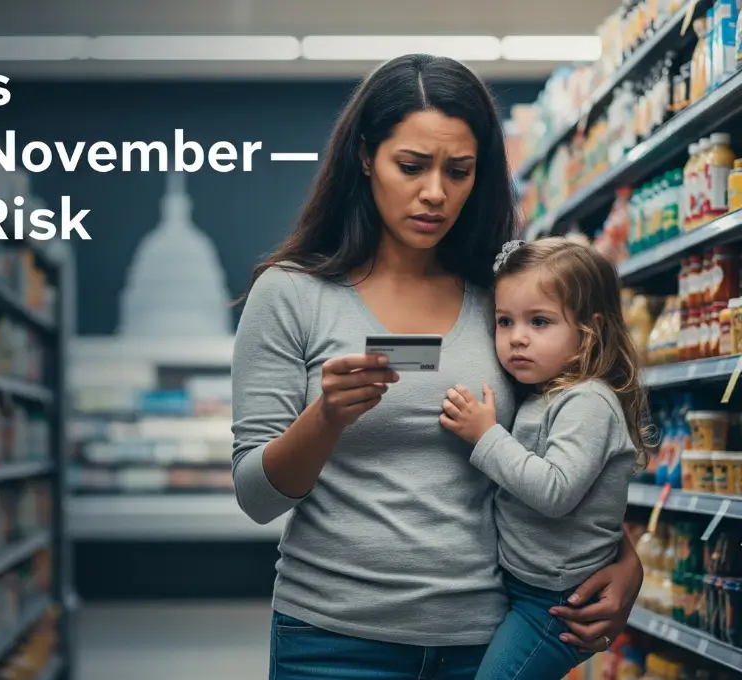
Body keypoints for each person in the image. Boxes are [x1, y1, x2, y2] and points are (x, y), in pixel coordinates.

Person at [230, 53, 644, 680]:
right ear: (365, 157)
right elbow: (256, 497)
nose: (435, 193)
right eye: (412, 166)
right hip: (333, 640)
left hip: (487, 637)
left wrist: (625, 559)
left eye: (460, 171)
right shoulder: (291, 294)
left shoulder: (505, 302)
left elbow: (566, 443)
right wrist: (326, 417)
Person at [439, 238, 650, 680]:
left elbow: (555, 492)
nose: (517, 338)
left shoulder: (588, 401)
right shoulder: (545, 393)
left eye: (539, 321)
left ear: (589, 330)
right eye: (504, 321)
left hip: (555, 602)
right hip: (526, 585)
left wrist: (486, 436)